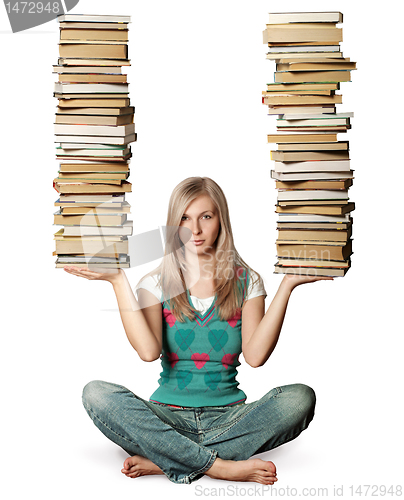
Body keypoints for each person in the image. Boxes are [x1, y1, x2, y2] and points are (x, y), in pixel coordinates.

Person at [64, 176, 332, 485]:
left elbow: (256, 356)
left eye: (206, 216)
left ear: (221, 220)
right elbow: (148, 353)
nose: (196, 230)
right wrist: (117, 280)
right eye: (185, 219)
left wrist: (287, 285)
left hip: (229, 419)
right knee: (96, 394)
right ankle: (220, 466)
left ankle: (165, 459)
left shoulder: (248, 281)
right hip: (165, 418)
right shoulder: (154, 283)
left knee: (299, 399)